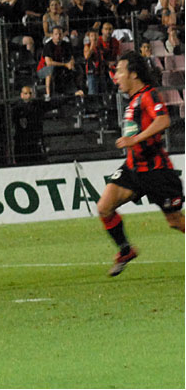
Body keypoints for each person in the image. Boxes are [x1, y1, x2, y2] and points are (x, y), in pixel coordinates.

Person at [97, 51, 184, 277]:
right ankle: (125, 250)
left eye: (120, 71)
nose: (116, 76)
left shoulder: (148, 95)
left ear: (134, 74)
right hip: (133, 168)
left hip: (157, 170)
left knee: (175, 221)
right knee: (104, 207)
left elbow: (163, 120)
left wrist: (133, 140)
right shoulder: (133, 100)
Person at [38, 26, 78, 100]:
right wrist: (65, 65)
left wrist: (71, 64)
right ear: (52, 35)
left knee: (79, 69)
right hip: (42, 70)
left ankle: (76, 92)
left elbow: (71, 57)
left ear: (63, 35)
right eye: (56, 34)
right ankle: (48, 95)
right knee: (50, 70)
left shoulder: (66, 45)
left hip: (59, 67)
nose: (58, 36)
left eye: (60, 34)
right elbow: (49, 63)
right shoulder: (48, 46)